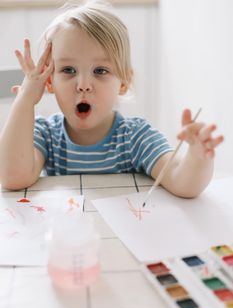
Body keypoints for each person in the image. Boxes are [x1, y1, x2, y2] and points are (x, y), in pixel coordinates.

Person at [0, 0, 224, 197]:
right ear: (49, 81)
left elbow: (182, 182)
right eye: (68, 70)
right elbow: (12, 178)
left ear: (124, 83)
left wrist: (198, 157)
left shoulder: (135, 138)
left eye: (100, 71)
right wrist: (25, 100)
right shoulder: (46, 134)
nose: (84, 85)